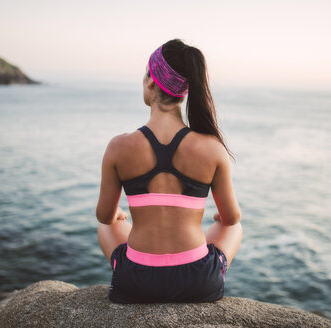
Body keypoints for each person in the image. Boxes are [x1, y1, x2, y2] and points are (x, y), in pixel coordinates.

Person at [96, 39, 242, 303]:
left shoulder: (119, 146)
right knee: (235, 228)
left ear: (151, 82)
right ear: (184, 91)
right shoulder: (212, 148)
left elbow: (104, 217)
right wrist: (221, 218)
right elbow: (232, 219)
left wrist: (117, 215)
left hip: (136, 281)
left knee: (105, 227)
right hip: (197, 281)